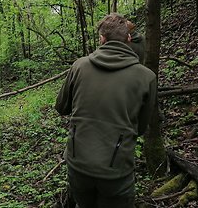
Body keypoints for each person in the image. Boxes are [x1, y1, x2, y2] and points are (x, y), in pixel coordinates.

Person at [55, 13, 157, 208]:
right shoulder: (147, 77)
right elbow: (141, 127)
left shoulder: (79, 66)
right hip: (116, 171)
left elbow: (61, 107)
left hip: (78, 164)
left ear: (101, 39)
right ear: (128, 38)